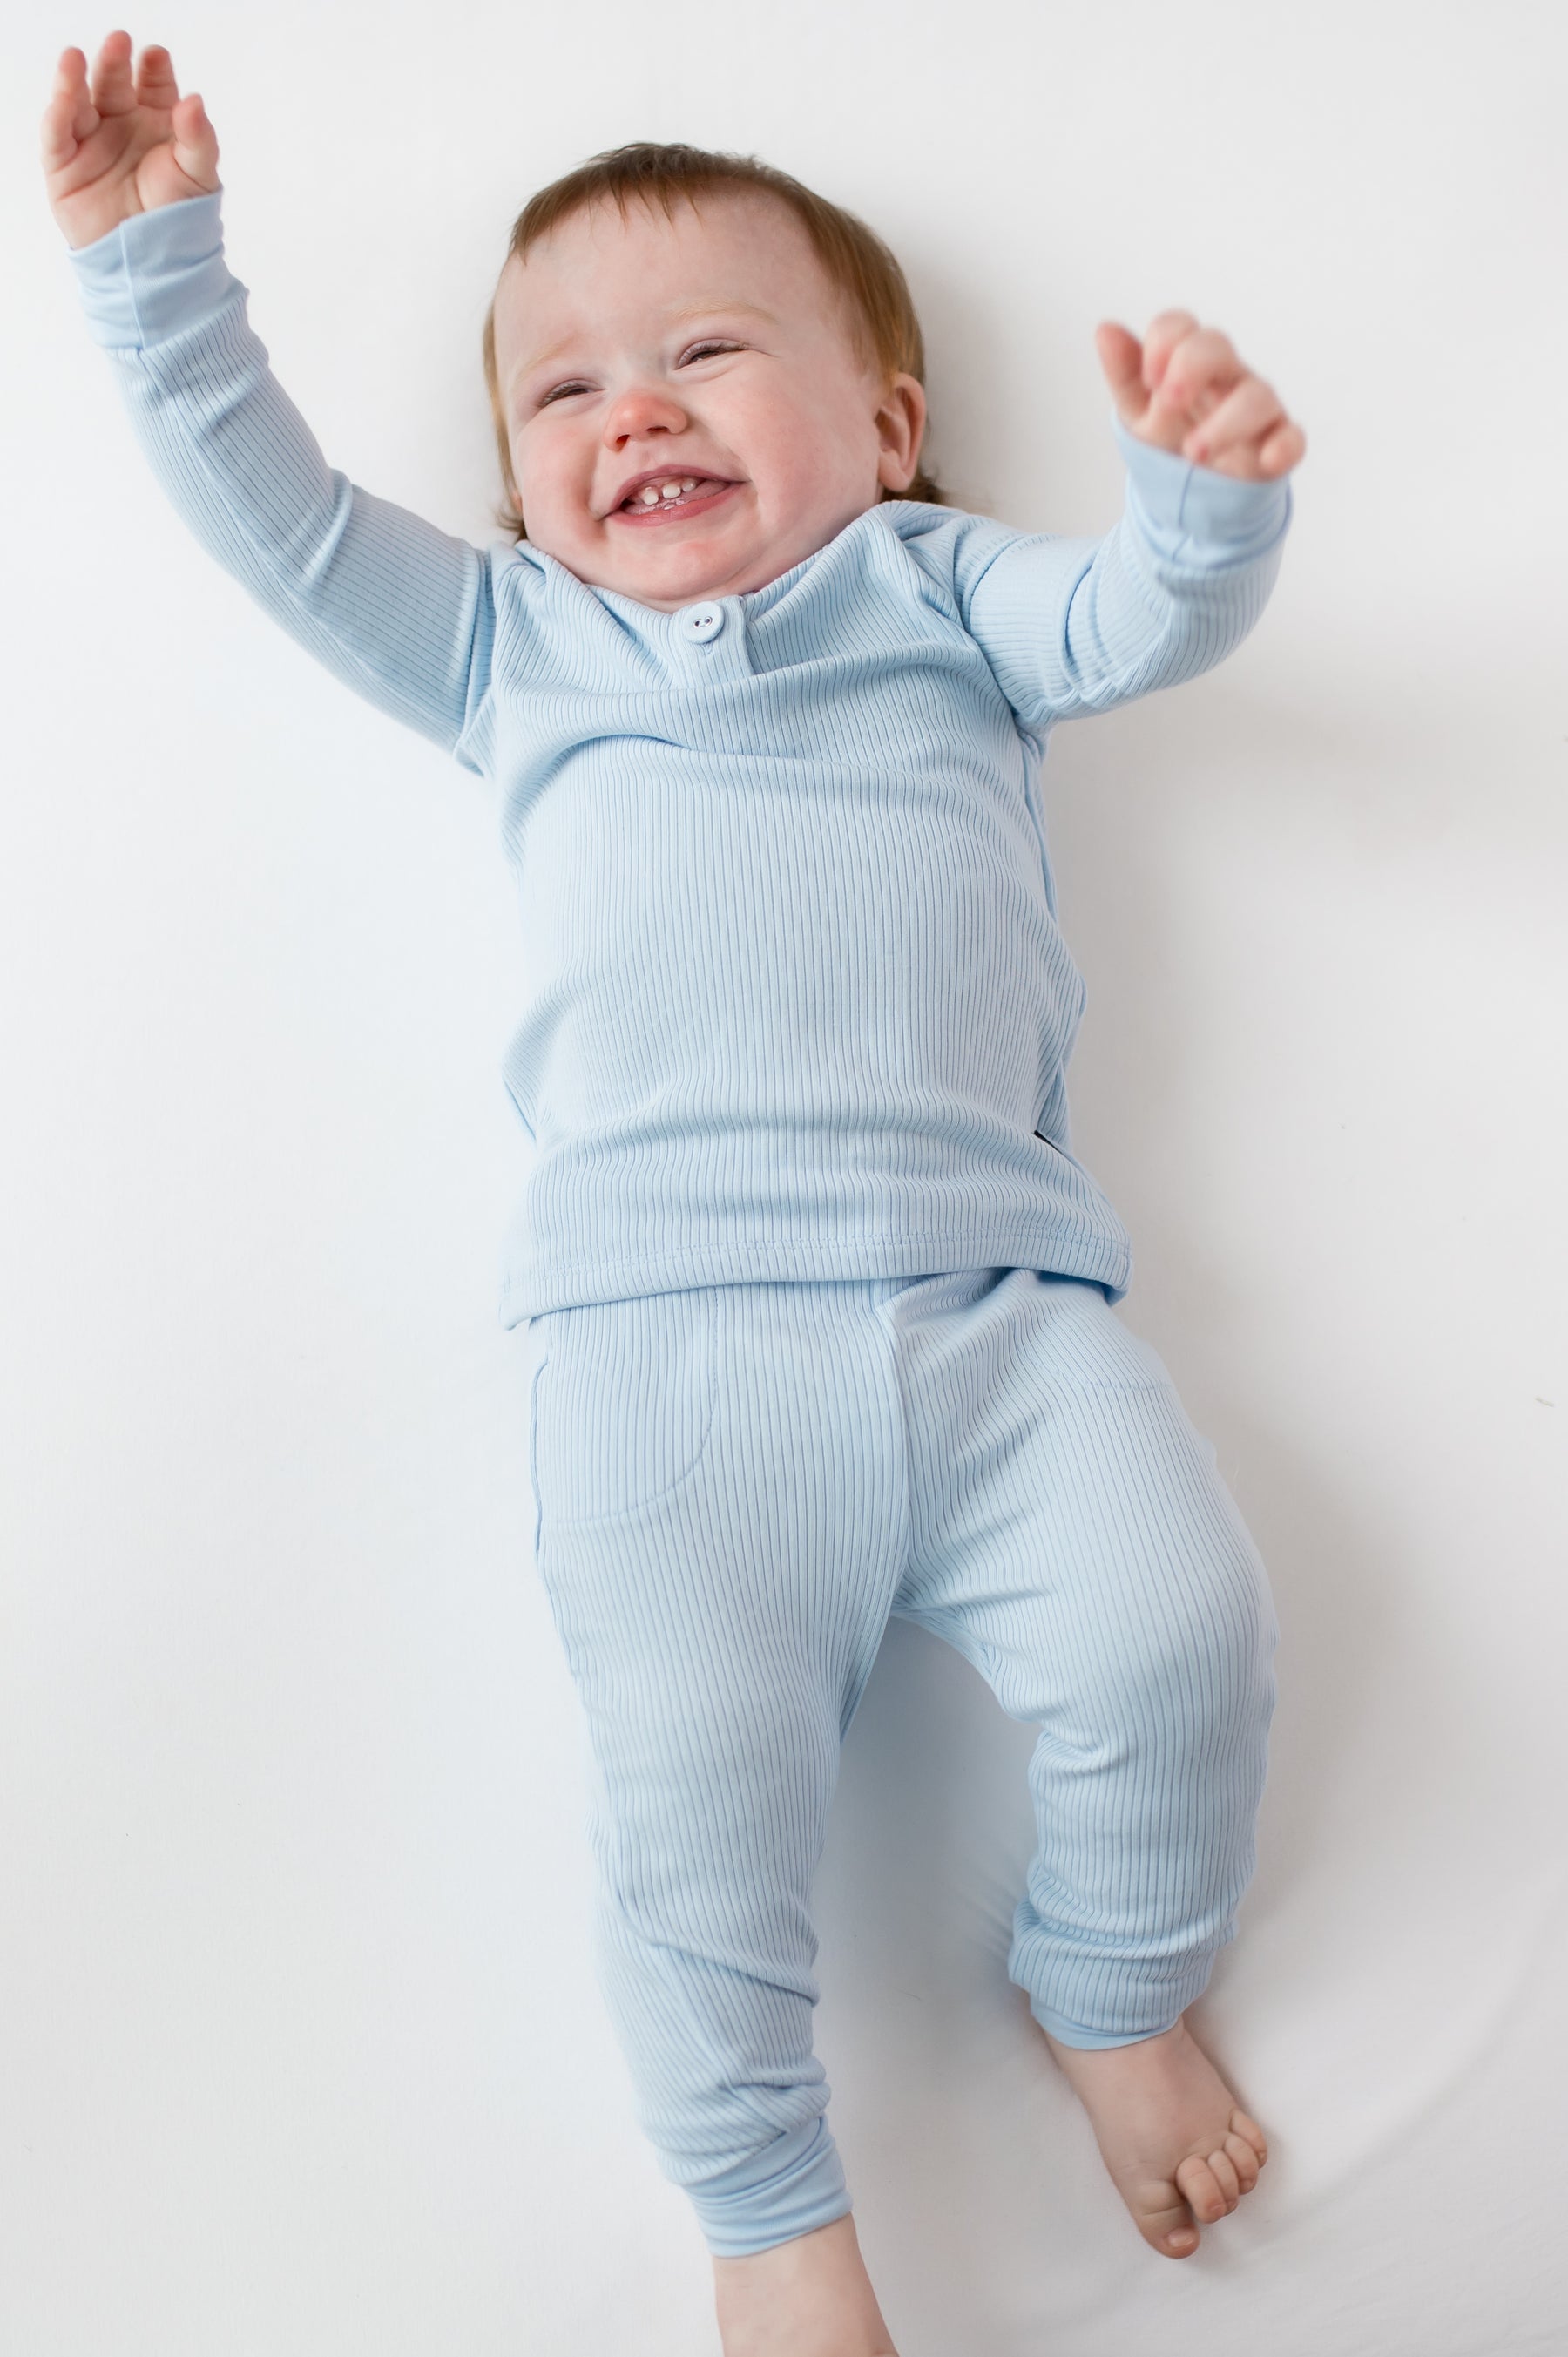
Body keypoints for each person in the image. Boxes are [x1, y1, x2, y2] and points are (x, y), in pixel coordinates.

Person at [43, 31, 1305, 2355]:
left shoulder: (947, 600)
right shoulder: (514, 649)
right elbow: (283, 513)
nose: (635, 411)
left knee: (1180, 1634)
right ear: (525, 491)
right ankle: (766, 2206)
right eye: (565, 393)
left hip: (1006, 1313)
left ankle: (1113, 1984)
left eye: (710, 351)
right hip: (663, 1354)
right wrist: (154, 273)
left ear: (894, 425)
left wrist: (1200, 515)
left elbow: (1135, 626)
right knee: (691, 1830)